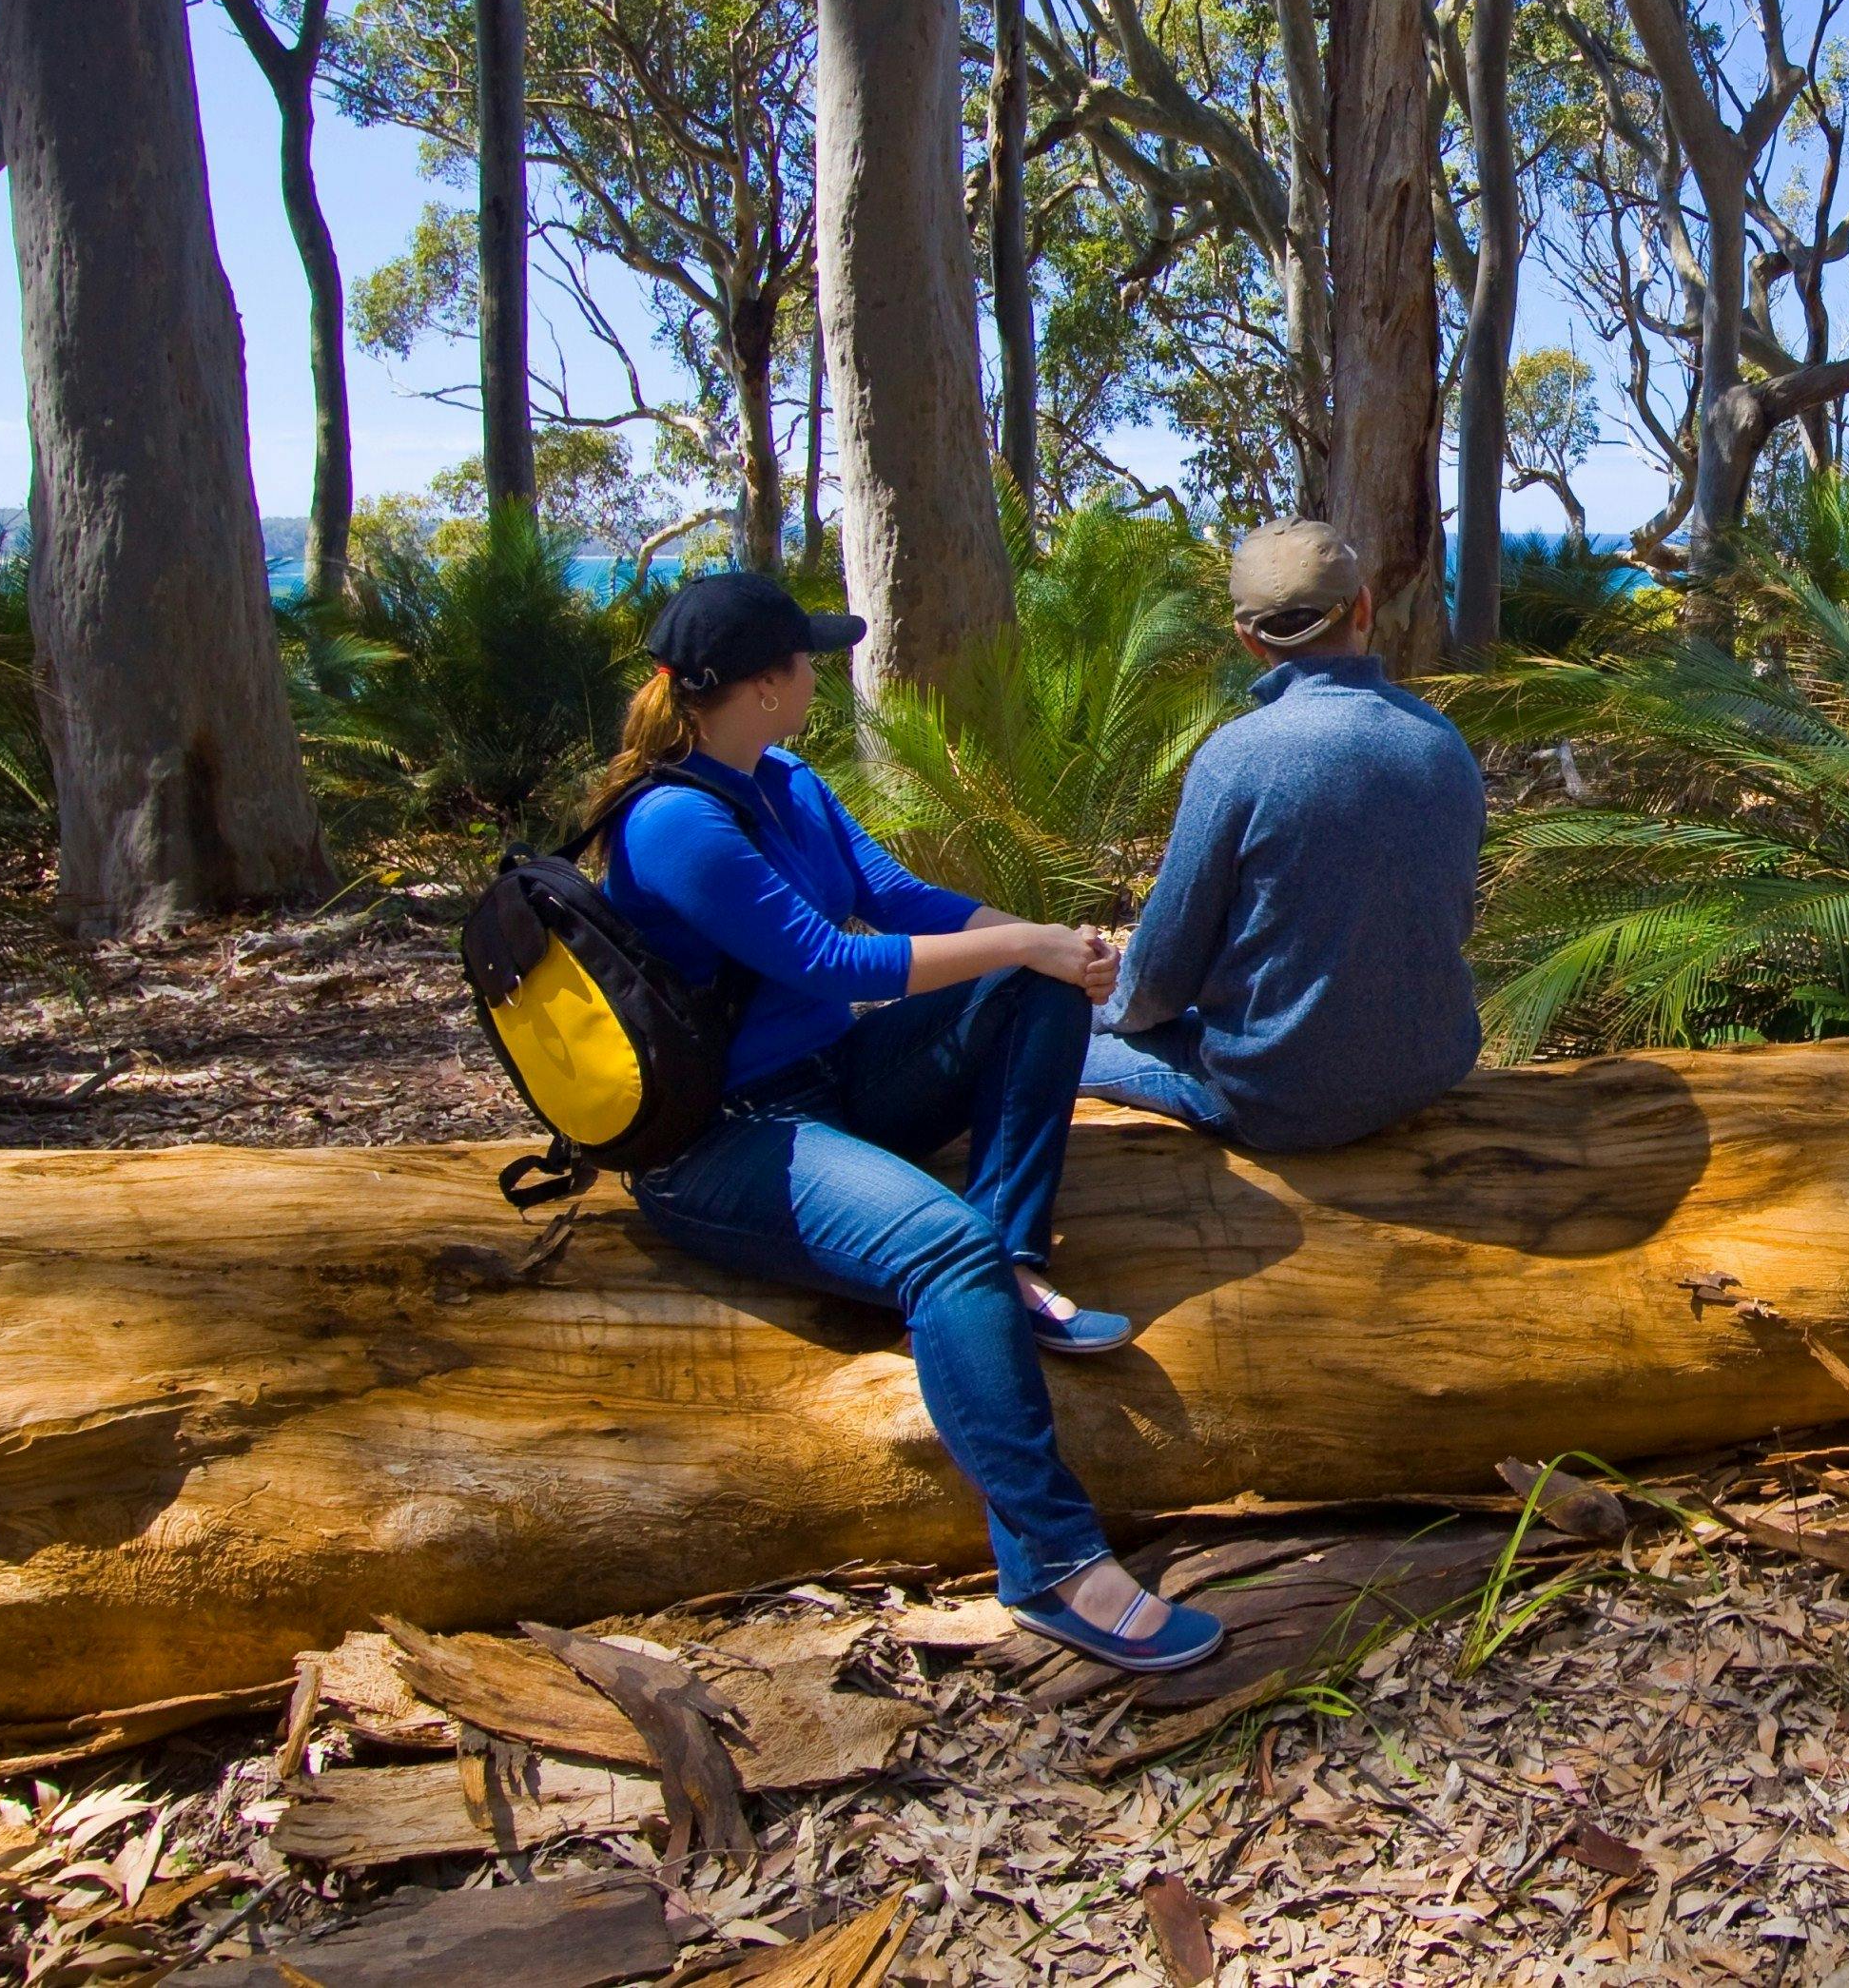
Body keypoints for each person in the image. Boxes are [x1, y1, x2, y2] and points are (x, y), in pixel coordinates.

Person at [594, 571, 1222, 1675]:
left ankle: (1014, 1258)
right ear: (761, 685)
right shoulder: (675, 821)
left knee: (1030, 988)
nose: (818, 674)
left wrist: (1049, 946)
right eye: (806, 659)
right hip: (724, 1139)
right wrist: (1024, 941)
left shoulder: (785, 779)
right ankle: (1055, 1566)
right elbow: (829, 959)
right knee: (945, 1249)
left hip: (831, 1079)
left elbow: (896, 898)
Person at [1083, 520, 1487, 1150]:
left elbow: (1160, 980)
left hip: (1277, 1100)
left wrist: (1100, 1012)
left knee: (1056, 1038)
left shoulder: (1237, 757)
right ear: (1363, 608)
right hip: (1433, 1065)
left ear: (1247, 639)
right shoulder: (1442, 741)